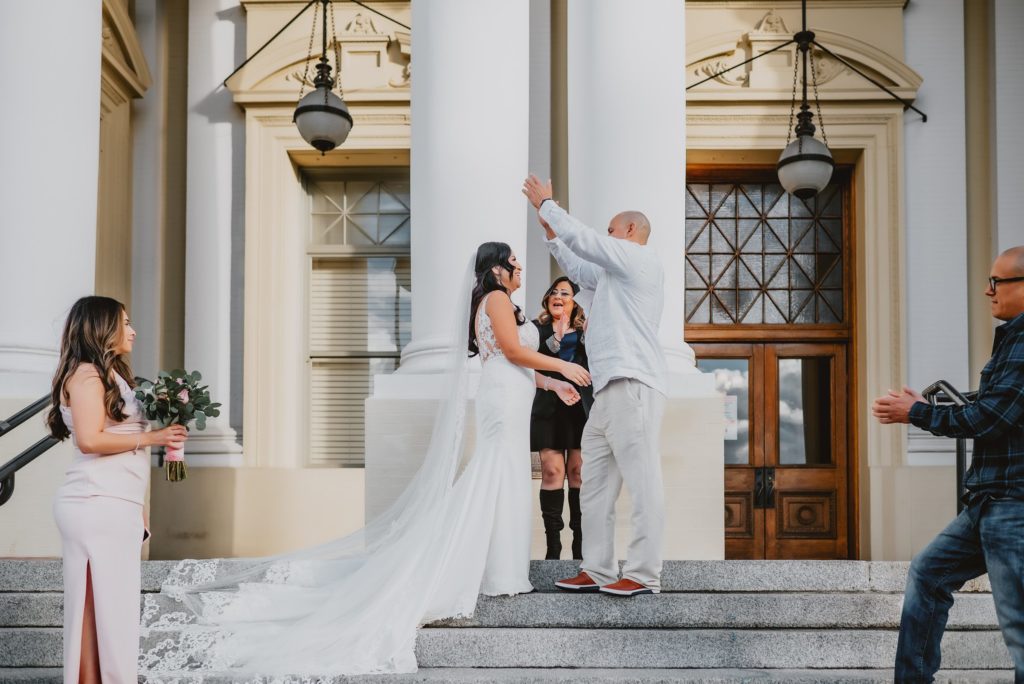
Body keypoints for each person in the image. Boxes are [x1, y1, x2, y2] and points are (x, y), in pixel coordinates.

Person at [139, 242, 590, 677]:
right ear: (496, 269)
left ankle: (504, 568)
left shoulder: (502, 301)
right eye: (514, 262)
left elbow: (517, 365)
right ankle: (490, 570)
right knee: (493, 476)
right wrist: (562, 367)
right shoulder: (493, 297)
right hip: (501, 395)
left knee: (507, 478)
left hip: (513, 393)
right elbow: (510, 352)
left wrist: (552, 386)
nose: (519, 269)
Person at [872, 246, 1024, 683]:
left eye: (996, 282)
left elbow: (990, 419)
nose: (987, 290)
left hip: (1013, 506)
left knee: (1018, 626)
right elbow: (995, 406)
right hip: (989, 501)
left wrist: (915, 413)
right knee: (929, 573)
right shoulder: (1013, 339)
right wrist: (924, 405)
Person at [522, 174, 668, 597]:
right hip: (604, 393)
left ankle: (643, 573)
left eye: (611, 231)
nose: (607, 237)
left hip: (634, 383)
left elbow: (589, 244)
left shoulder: (640, 260)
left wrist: (549, 205)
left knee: (643, 482)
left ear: (629, 232)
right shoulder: (609, 278)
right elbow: (580, 264)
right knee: (596, 485)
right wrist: (551, 234)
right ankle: (599, 569)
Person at [47, 296, 187, 684]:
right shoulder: (87, 376)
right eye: (125, 323)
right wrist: (155, 436)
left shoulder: (111, 376)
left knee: (106, 612)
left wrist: (136, 505)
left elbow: (119, 444)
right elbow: (90, 440)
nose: (133, 331)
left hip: (113, 503)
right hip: (94, 502)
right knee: (102, 611)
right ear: (102, 327)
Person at [531, 276, 591, 559]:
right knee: (552, 471)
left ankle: (580, 547)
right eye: (554, 291)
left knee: (578, 472)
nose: (558, 296)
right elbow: (523, 367)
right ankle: (553, 548)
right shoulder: (535, 329)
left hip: (580, 407)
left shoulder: (585, 330)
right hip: (547, 406)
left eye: (565, 293)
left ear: (576, 300)